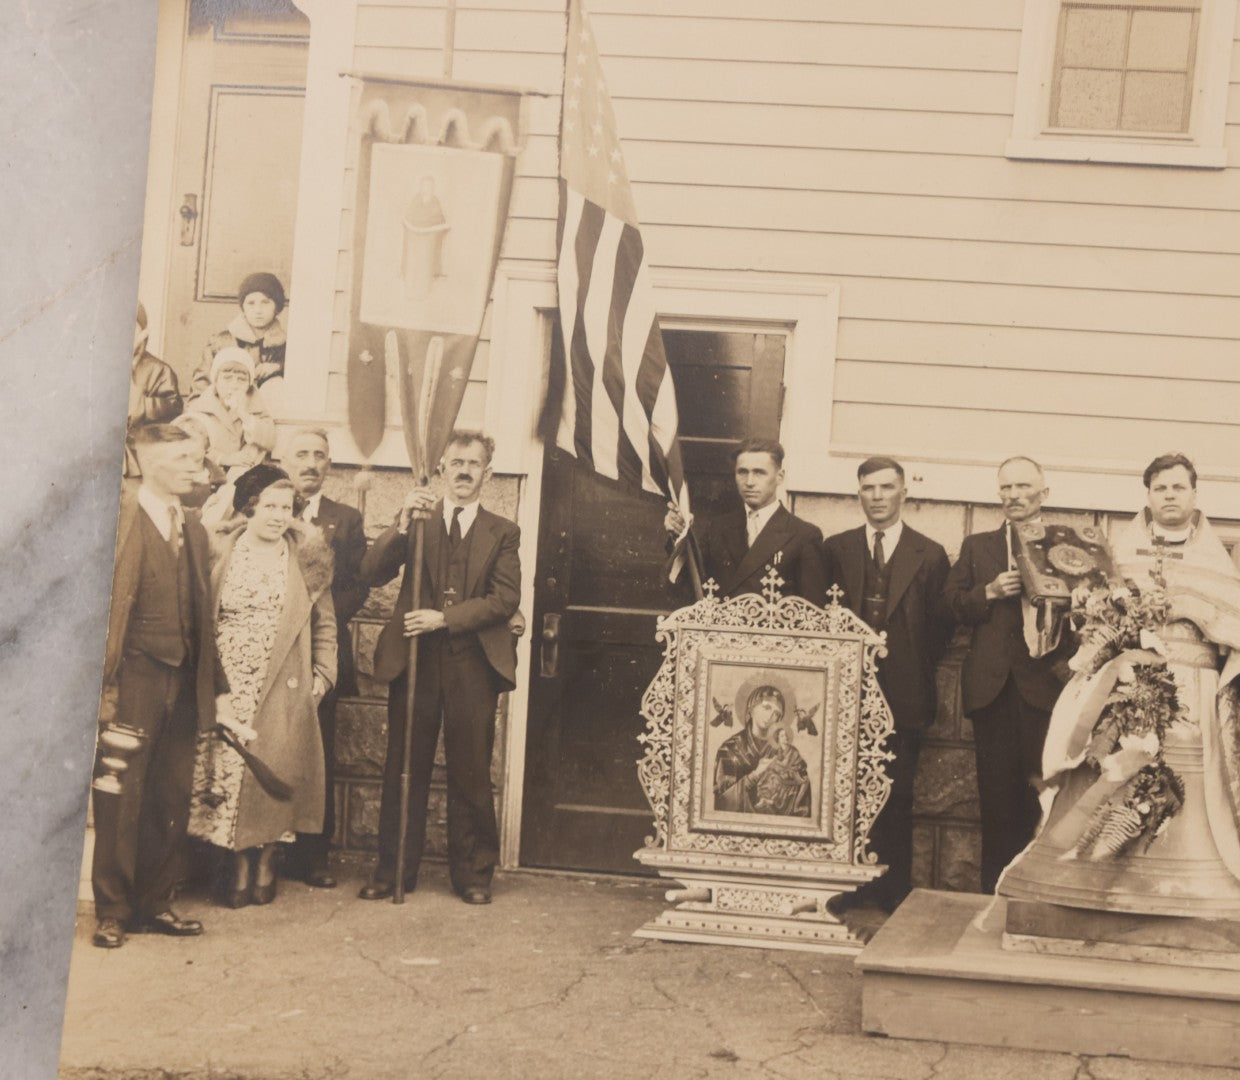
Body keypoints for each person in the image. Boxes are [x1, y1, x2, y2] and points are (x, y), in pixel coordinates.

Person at [1002, 453, 1240, 912]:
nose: (1169, 496)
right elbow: (1094, 611)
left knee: (1192, 778)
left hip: (1193, 688)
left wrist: (1194, 610)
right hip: (1128, 680)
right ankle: (1097, 881)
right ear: (1148, 496)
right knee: (1110, 766)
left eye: (1178, 487)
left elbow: (1231, 623)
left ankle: (1188, 886)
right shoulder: (1121, 553)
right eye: (1160, 488)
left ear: (1194, 494)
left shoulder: (1217, 560)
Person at [358, 431, 521, 905]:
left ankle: (473, 875)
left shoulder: (503, 532)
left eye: (474, 463)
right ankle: (393, 872)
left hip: (472, 661)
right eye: (456, 462)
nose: (465, 471)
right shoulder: (420, 523)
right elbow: (371, 573)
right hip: (416, 661)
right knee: (403, 766)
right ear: (442, 469)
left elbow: (504, 599)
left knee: (471, 769)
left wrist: (444, 619)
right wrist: (402, 524)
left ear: (487, 473)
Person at [91, 425, 228, 949]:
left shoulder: (192, 527)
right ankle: (113, 910)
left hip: (183, 679)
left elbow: (201, 616)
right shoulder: (120, 516)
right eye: (186, 458)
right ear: (149, 462)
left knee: (171, 793)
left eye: (199, 456)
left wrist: (214, 687)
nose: (198, 467)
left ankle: (155, 903)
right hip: (133, 679)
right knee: (121, 795)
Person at [187, 465, 337, 908]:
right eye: (268, 506)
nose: (278, 516)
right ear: (248, 508)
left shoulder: (308, 557)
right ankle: (236, 862)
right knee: (229, 773)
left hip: (283, 680)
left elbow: (324, 625)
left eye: (286, 508)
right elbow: (200, 620)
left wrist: (321, 679)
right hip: (227, 680)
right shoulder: (220, 551)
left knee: (275, 770)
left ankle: (268, 857)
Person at [822, 456, 952, 910]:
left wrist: (907, 666)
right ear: (858, 494)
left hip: (904, 692)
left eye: (886, 488)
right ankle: (844, 884)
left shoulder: (929, 554)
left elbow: (939, 630)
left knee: (896, 792)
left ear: (904, 493)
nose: (877, 497)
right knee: (840, 789)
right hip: (843, 692)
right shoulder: (836, 549)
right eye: (868, 489)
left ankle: (891, 889)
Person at [941, 456, 1072, 893]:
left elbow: (1090, 609)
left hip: (1046, 689)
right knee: (995, 803)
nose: (1014, 495)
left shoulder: (1065, 546)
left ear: (1044, 494)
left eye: (1024, 487)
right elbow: (949, 604)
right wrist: (989, 591)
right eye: (1006, 488)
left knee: (1046, 798)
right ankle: (991, 900)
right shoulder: (978, 546)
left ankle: (1037, 896)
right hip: (992, 690)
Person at [282, 428, 369, 889]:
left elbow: (357, 585)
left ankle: (314, 857)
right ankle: (266, 851)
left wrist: (316, 619)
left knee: (318, 753)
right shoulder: (267, 506)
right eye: (301, 453)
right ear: (284, 459)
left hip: (320, 650)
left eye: (319, 455)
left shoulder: (346, 519)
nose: (311, 462)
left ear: (329, 464)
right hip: (271, 652)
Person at [664, 437, 827, 602]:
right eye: (742, 472)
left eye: (759, 472)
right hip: (721, 627)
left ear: (780, 477)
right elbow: (689, 588)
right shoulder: (718, 528)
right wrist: (679, 536)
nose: (749, 482)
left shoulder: (803, 536)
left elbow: (812, 611)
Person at [189, 272, 288, 400]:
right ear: (243, 307)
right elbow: (201, 386)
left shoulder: (285, 345)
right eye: (251, 303)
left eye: (265, 302)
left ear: (276, 307)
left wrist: (278, 367)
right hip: (224, 411)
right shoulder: (221, 342)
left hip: (265, 414)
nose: (258, 310)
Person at [714, 685, 808, 815]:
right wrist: (754, 776)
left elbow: (802, 800)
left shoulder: (787, 752)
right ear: (751, 709)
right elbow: (721, 803)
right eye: (766, 707)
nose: (771, 716)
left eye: (777, 714)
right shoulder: (729, 749)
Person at [186, 348, 276, 477]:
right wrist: (224, 458)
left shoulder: (255, 407)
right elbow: (189, 445)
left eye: (241, 380)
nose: (234, 385)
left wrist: (244, 414)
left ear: (249, 385)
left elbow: (269, 439)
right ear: (215, 382)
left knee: (256, 448)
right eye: (227, 378)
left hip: (241, 475)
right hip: (207, 474)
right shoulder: (201, 409)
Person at [124, 302, 183, 478]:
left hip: (140, 448)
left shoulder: (159, 370)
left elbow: (173, 407)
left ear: (142, 334)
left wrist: (140, 406)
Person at [751, 724, 812, 817]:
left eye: (786, 735)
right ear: (778, 739)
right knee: (769, 774)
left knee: (774, 777)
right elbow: (772, 763)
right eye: (782, 736)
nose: (785, 737)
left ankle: (772, 800)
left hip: (793, 776)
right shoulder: (777, 751)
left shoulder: (793, 751)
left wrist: (784, 769)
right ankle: (765, 798)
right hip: (781, 775)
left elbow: (800, 764)